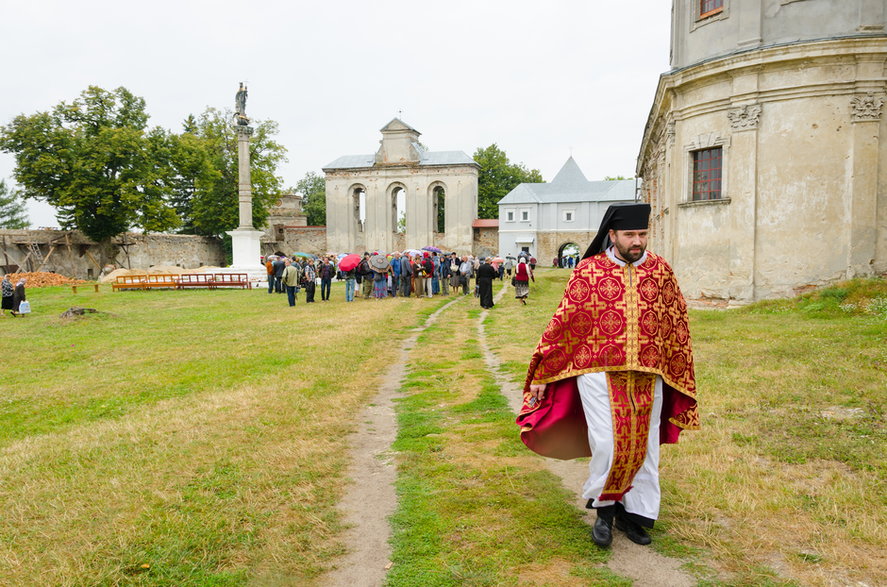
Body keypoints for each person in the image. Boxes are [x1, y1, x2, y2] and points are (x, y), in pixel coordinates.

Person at [516, 202, 699, 550]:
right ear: (611, 235)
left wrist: (677, 366)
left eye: (642, 234)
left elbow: (676, 324)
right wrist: (543, 370)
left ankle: (638, 513)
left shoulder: (661, 271)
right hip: (598, 372)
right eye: (630, 235)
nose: (637, 242)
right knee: (608, 442)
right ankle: (605, 510)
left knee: (645, 448)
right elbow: (563, 323)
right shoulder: (589, 271)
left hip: (649, 374)